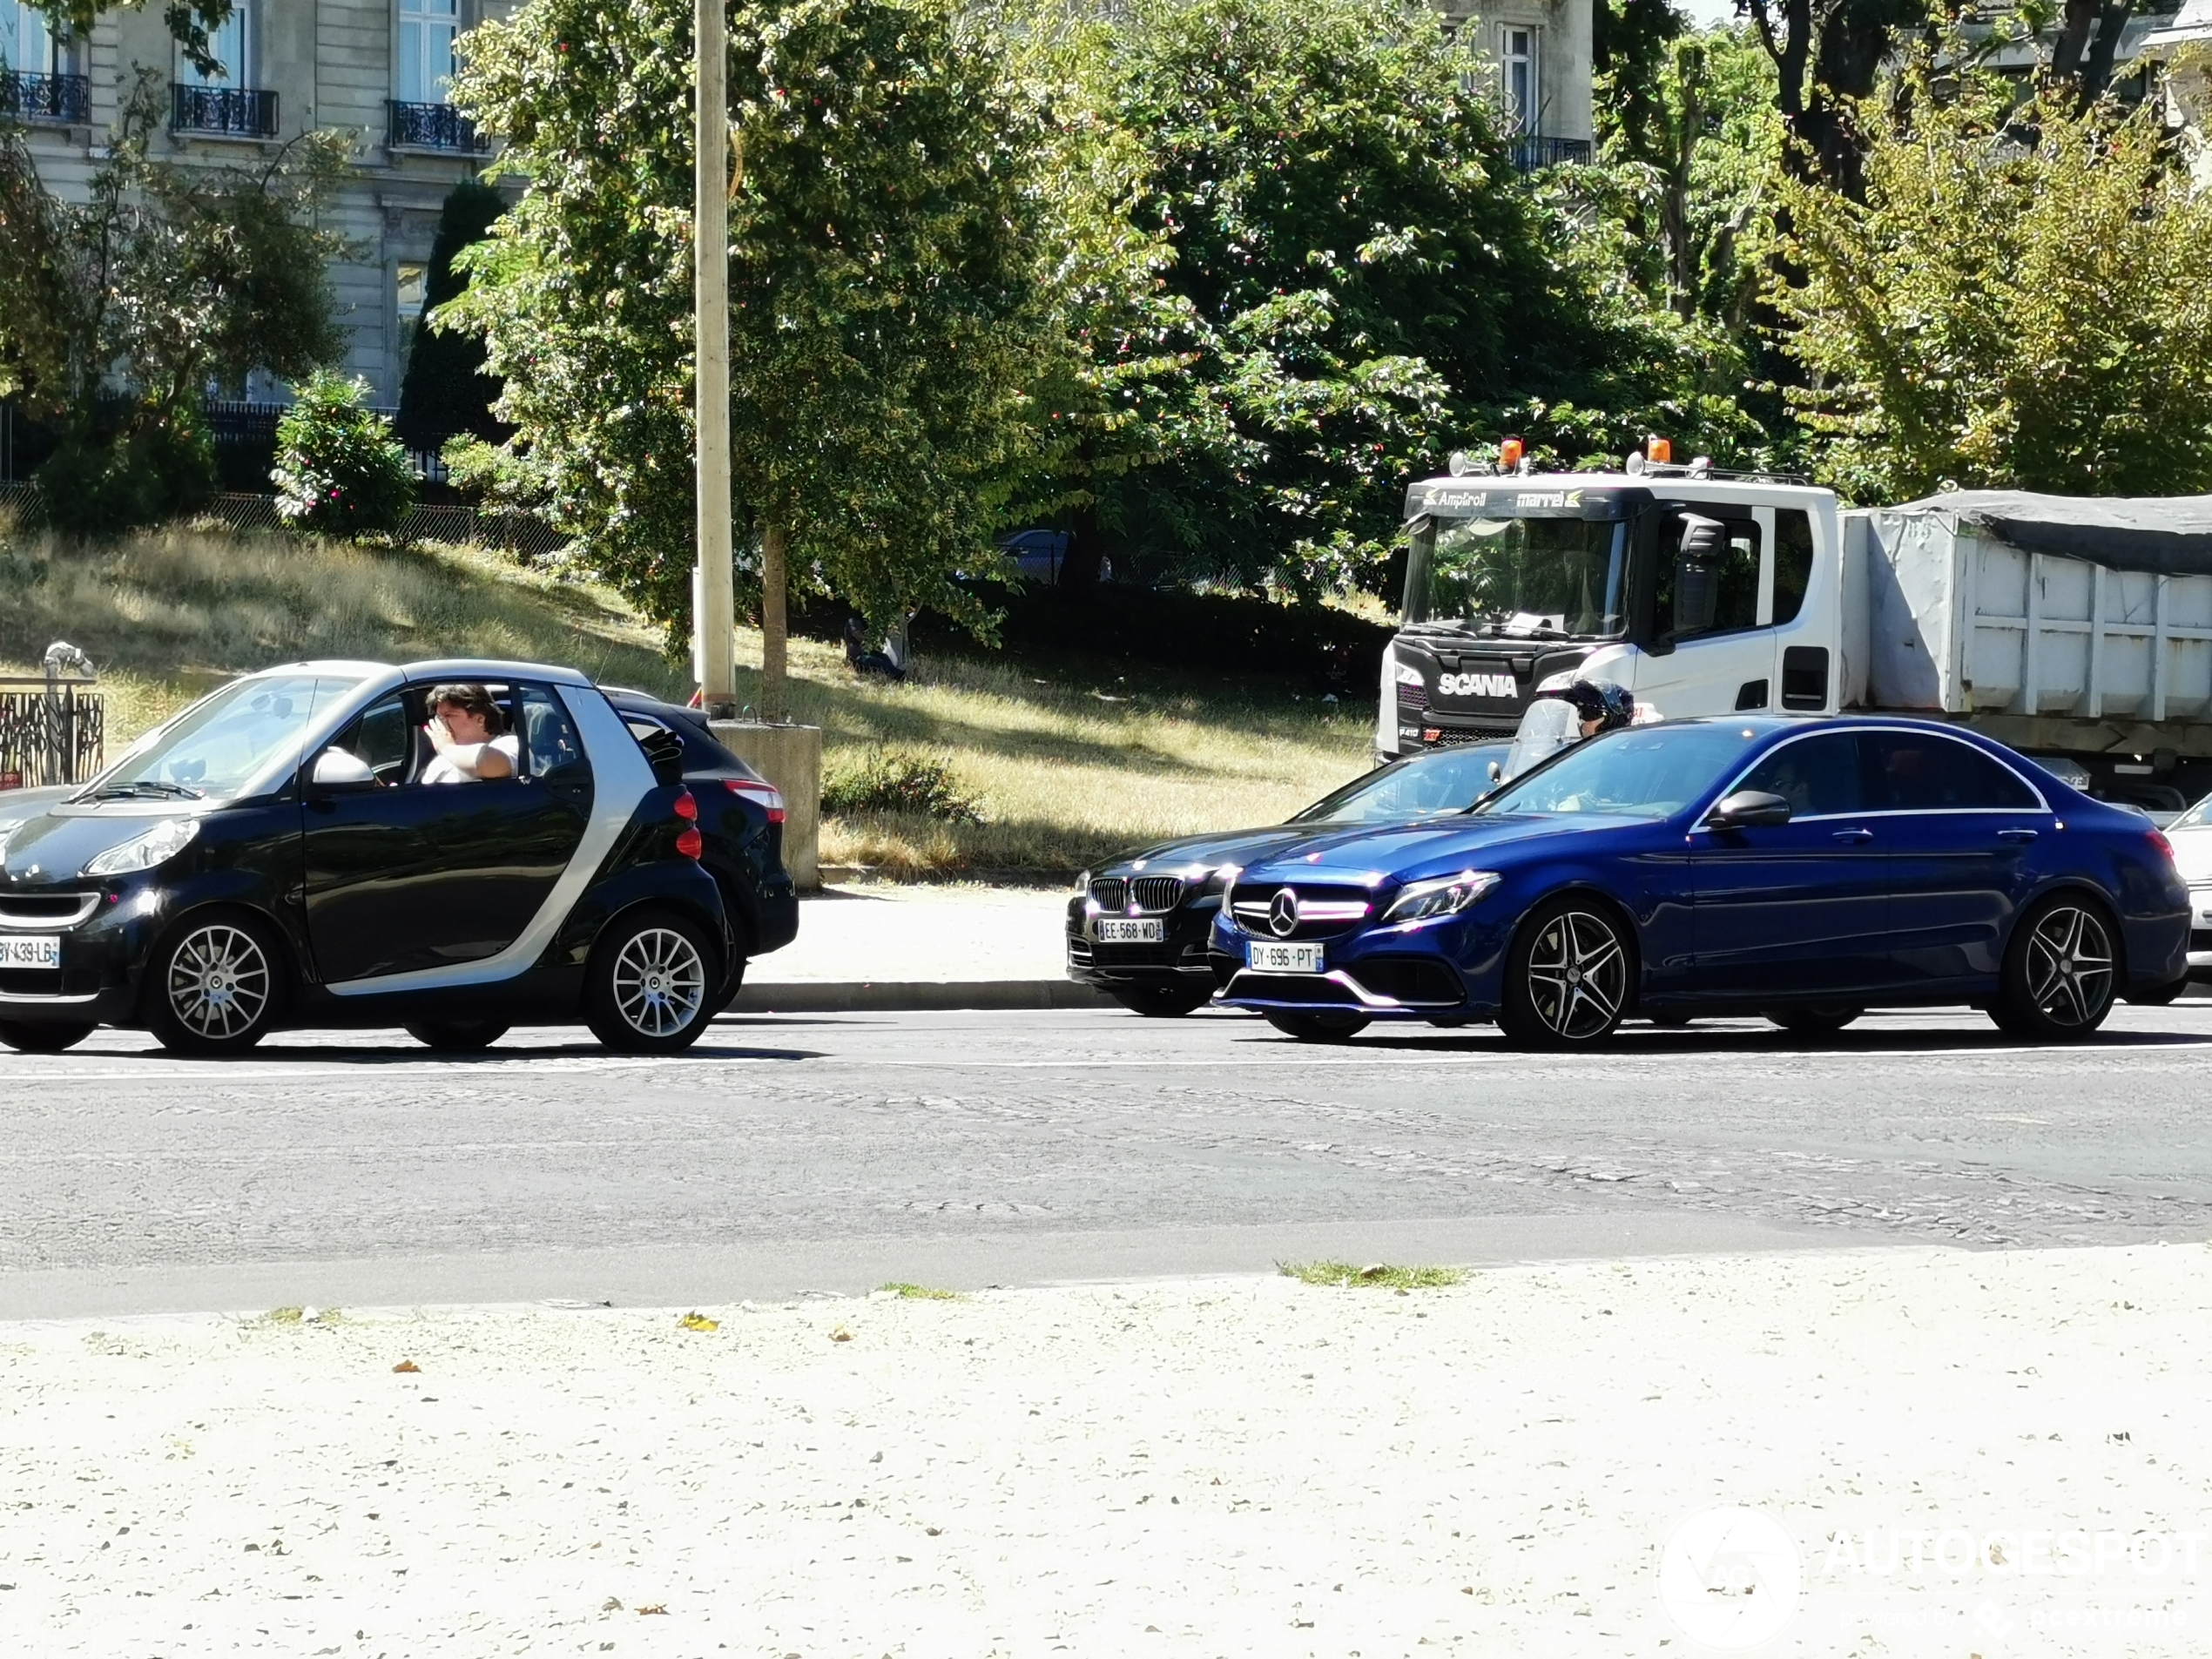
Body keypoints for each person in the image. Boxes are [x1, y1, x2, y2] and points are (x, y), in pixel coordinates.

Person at [421, 683, 518, 784]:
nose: (442, 722)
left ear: (480, 719)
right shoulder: (444, 758)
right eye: (440, 717)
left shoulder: (509, 743)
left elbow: (497, 765)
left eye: (449, 715)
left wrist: (446, 747)